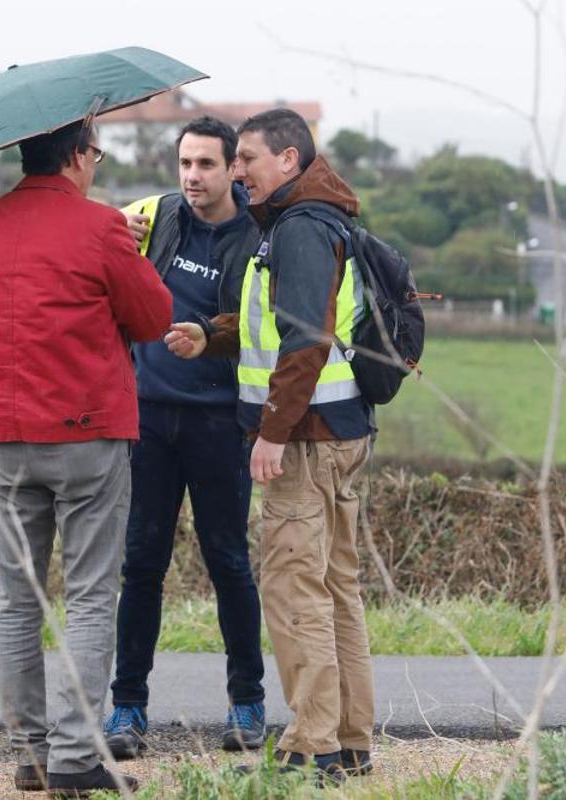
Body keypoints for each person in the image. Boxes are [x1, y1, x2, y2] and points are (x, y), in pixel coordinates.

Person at [0, 120, 172, 796]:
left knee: (17, 596)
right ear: (78, 156)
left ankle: (29, 750)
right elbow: (153, 318)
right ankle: (78, 756)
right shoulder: (101, 226)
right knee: (89, 595)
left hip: (4, 434)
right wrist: (132, 255)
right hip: (86, 431)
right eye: (96, 154)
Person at [164, 108, 376, 782]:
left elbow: (306, 339)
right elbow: (278, 323)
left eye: (247, 158)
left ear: (288, 159)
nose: (236, 171)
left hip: (305, 440)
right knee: (337, 587)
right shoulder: (308, 221)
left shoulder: (302, 230)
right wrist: (213, 334)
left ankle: (314, 744)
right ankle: (349, 737)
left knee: (294, 590)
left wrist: (272, 435)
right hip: (337, 432)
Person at [102, 116, 266, 759]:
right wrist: (118, 232)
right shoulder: (162, 214)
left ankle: (247, 702)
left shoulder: (258, 234)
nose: (193, 177)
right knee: (140, 565)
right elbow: (102, 234)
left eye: (206, 165)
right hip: (147, 418)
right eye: (185, 164)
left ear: (232, 169)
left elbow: (269, 323)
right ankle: (128, 710)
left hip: (220, 421)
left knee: (229, 564)